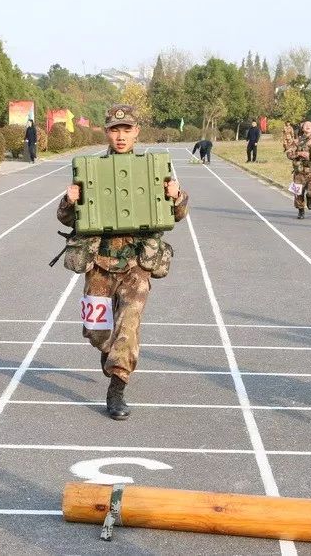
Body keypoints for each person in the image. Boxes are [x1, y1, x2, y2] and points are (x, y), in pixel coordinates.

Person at [57, 104, 189, 420]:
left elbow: (178, 214)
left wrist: (176, 196)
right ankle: (109, 351)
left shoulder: (154, 169)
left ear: (136, 132)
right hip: (99, 263)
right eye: (115, 130)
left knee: (129, 323)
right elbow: (65, 217)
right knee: (95, 331)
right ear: (107, 132)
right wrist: (69, 201)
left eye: (126, 129)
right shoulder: (90, 170)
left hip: (136, 263)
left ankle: (117, 388)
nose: (120, 136)